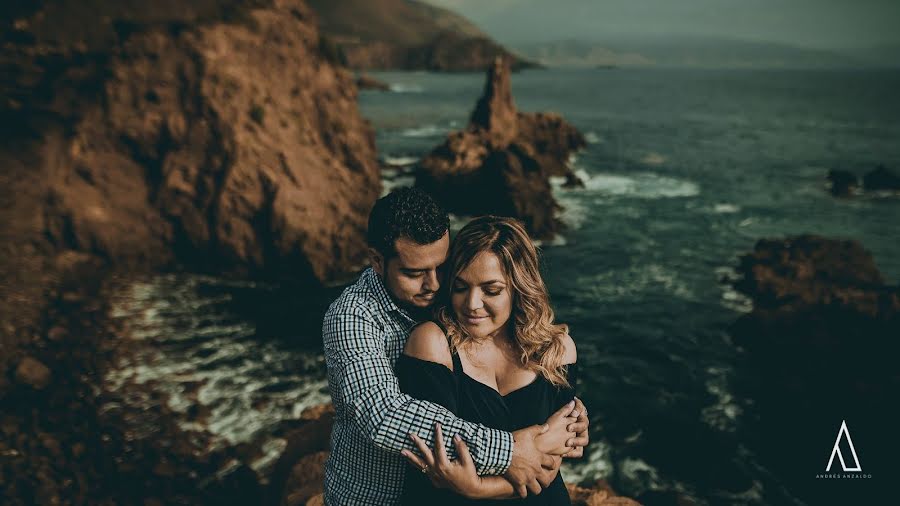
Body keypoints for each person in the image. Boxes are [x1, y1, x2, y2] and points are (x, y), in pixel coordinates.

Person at [322, 189, 589, 505]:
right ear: (378, 261)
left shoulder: (453, 299)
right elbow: (383, 415)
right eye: (414, 273)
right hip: (376, 496)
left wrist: (563, 413)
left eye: (443, 267)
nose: (434, 285)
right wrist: (511, 450)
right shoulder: (353, 316)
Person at [397, 215, 581, 504]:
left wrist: (477, 488)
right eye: (460, 287)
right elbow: (435, 463)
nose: (471, 304)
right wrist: (541, 443)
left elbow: (550, 466)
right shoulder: (432, 343)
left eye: (491, 290)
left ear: (519, 288)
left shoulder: (556, 350)